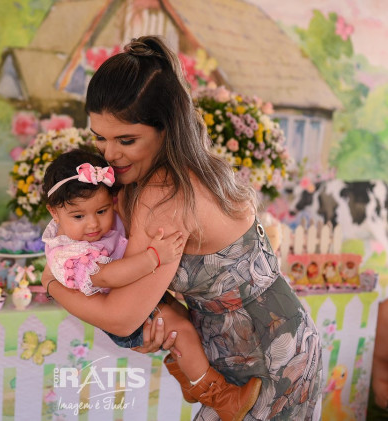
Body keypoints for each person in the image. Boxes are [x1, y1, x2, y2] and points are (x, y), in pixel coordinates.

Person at [41, 35, 322, 420]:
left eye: (127, 140)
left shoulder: (164, 193)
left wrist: (51, 282)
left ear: (167, 129)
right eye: (100, 138)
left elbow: (121, 317)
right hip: (236, 347)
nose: (109, 154)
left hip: (269, 354)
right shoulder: (168, 170)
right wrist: (160, 318)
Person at [42, 149, 262, 418]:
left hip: (132, 294)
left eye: (102, 210)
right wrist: (153, 257)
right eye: (79, 216)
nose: (93, 224)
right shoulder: (68, 255)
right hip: (122, 306)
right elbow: (108, 276)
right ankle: (221, 398)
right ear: (53, 212)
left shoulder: (94, 222)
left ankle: (187, 377)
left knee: (183, 317)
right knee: (181, 330)